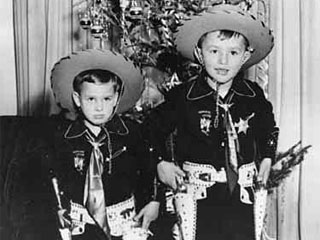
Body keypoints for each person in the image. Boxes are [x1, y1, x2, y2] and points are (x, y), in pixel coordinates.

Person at [143, 4, 279, 240]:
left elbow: (268, 128)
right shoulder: (183, 96)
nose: (223, 60)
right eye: (214, 51)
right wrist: (160, 163)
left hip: (242, 200)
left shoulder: (252, 95)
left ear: (246, 56)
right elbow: (149, 131)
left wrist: (267, 156)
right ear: (199, 53)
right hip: (199, 200)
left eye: (233, 53)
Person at [8, 50, 160, 240]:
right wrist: (53, 210)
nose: (99, 107)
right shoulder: (61, 138)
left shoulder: (131, 134)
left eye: (106, 99)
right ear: (78, 99)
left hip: (124, 226)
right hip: (80, 229)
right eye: (91, 99)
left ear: (116, 99)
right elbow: (43, 179)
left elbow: (148, 169)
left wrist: (153, 201)